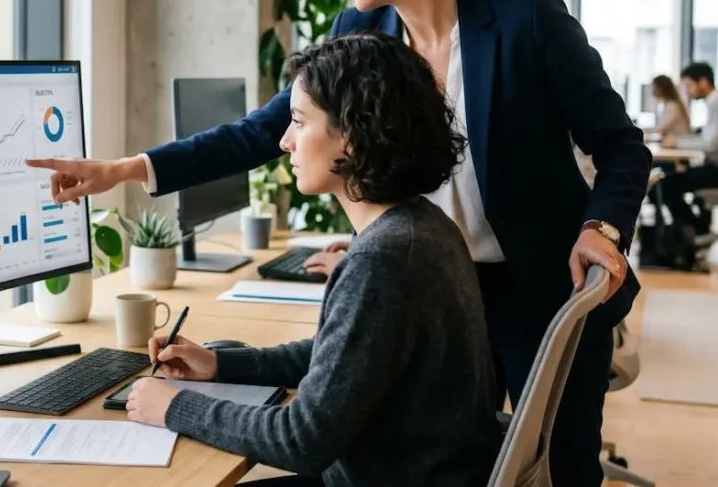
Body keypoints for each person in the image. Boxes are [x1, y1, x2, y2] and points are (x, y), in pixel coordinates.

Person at [28, 0, 650, 487]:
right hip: (438, 283)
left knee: (564, 472)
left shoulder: (526, 20)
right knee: (453, 454)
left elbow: (622, 145)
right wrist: (130, 169)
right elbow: (273, 127)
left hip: (545, 287)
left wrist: (600, 227)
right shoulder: (364, 28)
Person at [124, 34, 500, 486]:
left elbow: (302, 440)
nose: (284, 141)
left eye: (299, 122)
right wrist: (222, 365)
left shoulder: (386, 258)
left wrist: (172, 407)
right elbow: (345, 358)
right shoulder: (422, 225)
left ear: (354, 137)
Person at [660, 63, 718, 237]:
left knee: (665, 186)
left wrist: (677, 143)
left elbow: (713, 145)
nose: (687, 91)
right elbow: (707, 140)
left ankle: (696, 233)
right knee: (672, 179)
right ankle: (698, 230)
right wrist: (680, 141)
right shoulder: (717, 102)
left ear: (703, 82)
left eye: (689, 85)